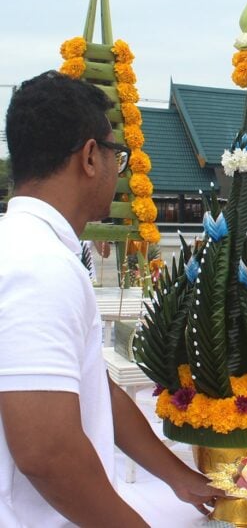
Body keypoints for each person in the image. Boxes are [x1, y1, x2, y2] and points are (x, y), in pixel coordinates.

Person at [0, 71, 221, 526]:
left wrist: (180, 478)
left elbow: (94, 388)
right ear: (89, 157)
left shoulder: (25, 244)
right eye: (116, 156)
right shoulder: (38, 265)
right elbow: (47, 452)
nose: (117, 173)